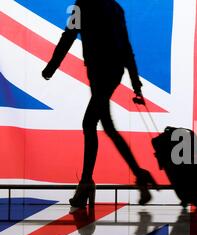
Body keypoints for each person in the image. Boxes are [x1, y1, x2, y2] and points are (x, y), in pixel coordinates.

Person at [42, 0, 156, 207]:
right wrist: (135, 82)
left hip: (99, 71)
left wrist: (52, 66)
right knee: (98, 125)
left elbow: (68, 36)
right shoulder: (114, 8)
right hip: (113, 71)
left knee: (98, 125)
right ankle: (96, 181)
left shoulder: (83, 5)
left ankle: (97, 182)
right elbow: (126, 47)